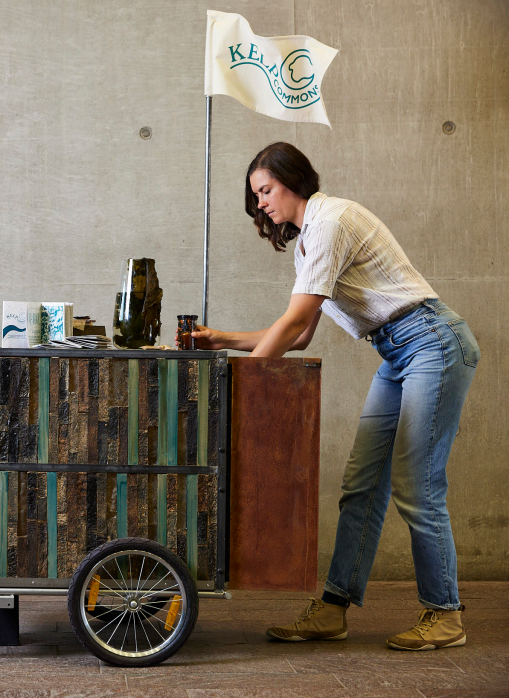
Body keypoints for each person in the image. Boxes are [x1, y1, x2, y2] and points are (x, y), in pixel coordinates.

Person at [190, 142, 480, 651]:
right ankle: (332, 609)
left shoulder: (332, 220)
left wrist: (240, 386)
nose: (260, 203)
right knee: (361, 486)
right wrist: (224, 341)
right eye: (255, 195)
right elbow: (299, 335)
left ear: (292, 180)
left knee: (417, 486)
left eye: (265, 190)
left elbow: (297, 322)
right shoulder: (309, 240)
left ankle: (445, 613)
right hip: (397, 354)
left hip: (432, 341)